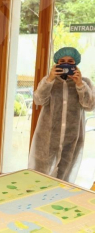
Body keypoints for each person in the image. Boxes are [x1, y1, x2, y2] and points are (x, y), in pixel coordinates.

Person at [29, 47, 95, 182]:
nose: (66, 64)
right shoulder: (49, 80)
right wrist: (50, 79)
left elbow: (90, 106)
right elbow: (38, 100)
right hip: (46, 137)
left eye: (70, 61)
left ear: (76, 63)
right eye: (62, 61)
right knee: (40, 176)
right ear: (56, 63)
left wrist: (80, 84)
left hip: (72, 139)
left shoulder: (85, 82)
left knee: (64, 177)